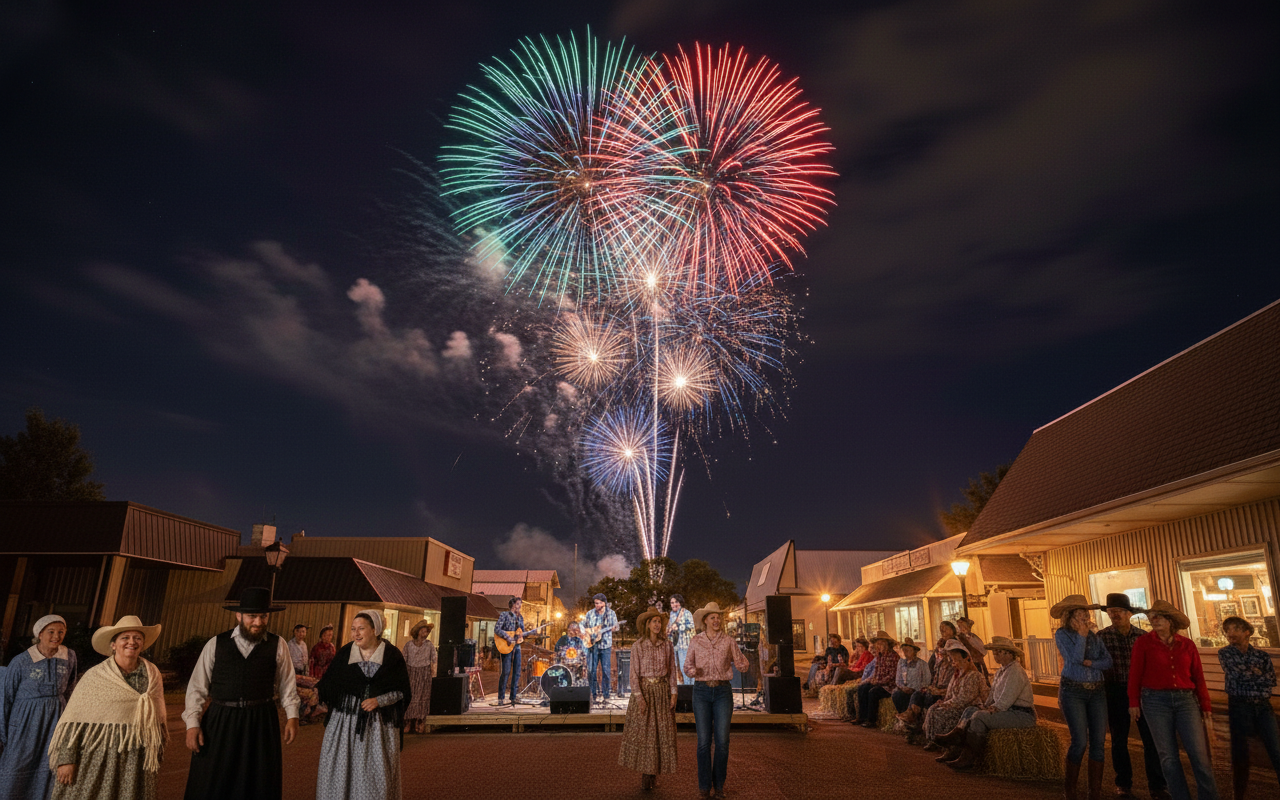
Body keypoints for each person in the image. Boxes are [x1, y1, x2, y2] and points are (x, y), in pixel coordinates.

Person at [183, 586, 301, 800]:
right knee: (212, 781)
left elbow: (287, 685)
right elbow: (197, 687)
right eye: (251, 616)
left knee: (258, 782)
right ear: (239, 615)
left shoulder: (278, 644)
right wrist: (192, 724)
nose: (258, 622)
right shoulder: (215, 644)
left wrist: (293, 717)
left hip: (262, 721)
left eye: (263, 616)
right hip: (220, 720)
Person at [47, 615, 166, 800]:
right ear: (113, 644)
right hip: (100, 755)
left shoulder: (152, 674)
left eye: (137, 638)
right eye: (125, 638)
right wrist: (66, 759)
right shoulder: (96, 676)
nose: (131, 642)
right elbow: (74, 719)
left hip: (137, 757)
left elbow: (157, 718)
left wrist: (156, 752)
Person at [315, 610, 412, 800]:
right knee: (341, 769)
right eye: (353, 629)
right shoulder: (345, 653)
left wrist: (379, 700)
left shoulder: (391, 656)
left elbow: (403, 692)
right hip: (345, 724)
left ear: (375, 630)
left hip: (378, 727)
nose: (355, 634)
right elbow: (329, 684)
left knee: (374, 774)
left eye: (361, 629)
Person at [1129, 600, 1218, 800]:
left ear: (1170, 620)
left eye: (1159, 616)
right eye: (1152, 617)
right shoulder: (1143, 643)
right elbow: (1134, 673)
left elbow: (1198, 676)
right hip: (1154, 701)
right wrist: (1133, 702)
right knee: (1168, 757)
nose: (1154, 620)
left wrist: (1205, 704)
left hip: (1186, 700)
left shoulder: (1187, 645)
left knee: (1199, 756)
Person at [1098, 593, 1169, 800]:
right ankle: (1123, 784)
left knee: (1151, 739)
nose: (1114, 615)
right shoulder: (1103, 636)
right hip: (1115, 690)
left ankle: (1157, 785)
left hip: (1142, 691)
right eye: (1111, 612)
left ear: (1129, 613)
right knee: (1119, 740)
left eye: (1119, 611)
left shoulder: (1143, 637)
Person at [0, 614, 77, 800]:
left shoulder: (69, 657)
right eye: (51, 632)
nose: (56, 636)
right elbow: (5, 698)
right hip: (23, 725)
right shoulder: (21, 661)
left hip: (54, 723)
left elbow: (72, 691)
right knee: (16, 767)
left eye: (61, 632)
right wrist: (3, 735)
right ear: (40, 634)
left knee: (49, 767)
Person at [934, 636, 1037, 770]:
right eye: (994, 651)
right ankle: (957, 738)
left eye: (998, 651)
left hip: (1021, 714)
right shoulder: (1001, 671)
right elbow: (993, 693)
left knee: (979, 717)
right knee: (971, 710)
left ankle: (970, 757)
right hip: (1009, 710)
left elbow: (1006, 699)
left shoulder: (1015, 671)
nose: (995, 654)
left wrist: (992, 708)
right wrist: (985, 705)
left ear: (1009, 654)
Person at [684, 601, 749, 799]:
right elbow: (687, 666)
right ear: (705, 620)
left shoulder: (729, 641)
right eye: (712, 617)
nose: (717, 620)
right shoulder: (696, 641)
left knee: (722, 742)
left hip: (722, 692)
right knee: (703, 742)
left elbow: (742, 663)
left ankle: (719, 785)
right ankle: (704, 786)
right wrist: (692, 671)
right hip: (701, 691)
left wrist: (742, 663)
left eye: (718, 617)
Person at [1054, 594, 1113, 800]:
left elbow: (1107, 661)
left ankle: (1094, 792)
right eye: (1079, 615)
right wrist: (1081, 636)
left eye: (1085, 614)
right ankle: (1070, 790)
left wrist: (1093, 663)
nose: (1084, 618)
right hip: (1073, 690)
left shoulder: (1096, 637)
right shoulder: (1062, 634)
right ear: (1069, 617)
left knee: (1099, 742)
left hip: (1097, 690)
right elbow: (1075, 658)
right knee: (1079, 741)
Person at [1218, 615, 1280, 799]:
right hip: (1240, 706)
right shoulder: (1225, 653)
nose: (1230, 633)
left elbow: (1271, 680)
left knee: (1276, 750)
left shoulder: (1261, 655)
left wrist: (1252, 675)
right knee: (1240, 753)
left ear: (1247, 632)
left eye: (1235, 629)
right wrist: (1257, 675)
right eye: (1227, 630)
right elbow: (1236, 675)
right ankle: (1239, 794)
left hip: (1262, 706)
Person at [620, 607, 679, 791]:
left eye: (659, 622)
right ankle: (646, 773)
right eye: (653, 621)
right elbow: (633, 675)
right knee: (645, 735)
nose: (657, 624)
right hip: (645, 691)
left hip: (661, 692)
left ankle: (654, 772)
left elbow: (672, 670)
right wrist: (639, 698)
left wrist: (673, 693)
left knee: (660, 735)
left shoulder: (667, 645)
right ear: (647, 624)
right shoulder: (638, 645)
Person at [921, 640, 989, 749]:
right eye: (953, 659)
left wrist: (947, 704)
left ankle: (948, 744)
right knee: (933, 708)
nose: (954, 662)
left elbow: (964, 698)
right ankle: (933, 739)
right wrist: (944, 701)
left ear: (966, 659)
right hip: (955, 704)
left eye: (956, 659)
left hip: (967, 708)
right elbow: (950, 693)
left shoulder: (974, 676)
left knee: (941, 713)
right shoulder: (956, 675)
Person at [854, 630, 900, 727]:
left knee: (873, 692)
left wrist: (878, 682)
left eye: (881, 644)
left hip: (889, 686)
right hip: (878, 682)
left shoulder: (894, 656)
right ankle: (862, 717)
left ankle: (871, 720)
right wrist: (872, 679)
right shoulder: (879, 656)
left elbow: (893, 675)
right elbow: (876, 671)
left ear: (886, 644)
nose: (878, 647)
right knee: (862, 688)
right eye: (877, 644)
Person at [584, 593, 620, 704]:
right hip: (593, 646)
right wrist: (591, 633)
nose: (597, 605)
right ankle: (593, 694)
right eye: (595, 603)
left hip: (606, 646)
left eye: (599, 603)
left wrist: (612, 628)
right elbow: (585, 628)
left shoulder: (611, 613)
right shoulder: (590, 613)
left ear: (604, 603)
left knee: (605, 670)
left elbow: (616, 627)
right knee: (592, 671)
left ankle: (606, 694)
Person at [402, 620, 437, 734]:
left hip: (424, 672)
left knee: (423, 696)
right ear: (417, 632)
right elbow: (403, 659)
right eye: (423, 631)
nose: (425, 633)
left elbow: (434, 658)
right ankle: (408, 721)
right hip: (411, 672)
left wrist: (433, 670)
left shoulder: (429, 645)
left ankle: (420, 720)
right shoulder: (409, 645)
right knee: (411, 696)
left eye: (426, 631)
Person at [495, 597, 530, 707]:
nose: (519, 606)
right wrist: (507, 637)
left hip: (517, 646)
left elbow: (522, 632)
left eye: (520, 604)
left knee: (517, 672)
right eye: (518, 604)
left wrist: (524, 634)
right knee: (505, 671)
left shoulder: (520, 618)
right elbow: (497, 629)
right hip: (506, 645)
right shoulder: (504, 615)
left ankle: (513, 697)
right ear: (512, 605)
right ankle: (501, 698)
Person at [890, 637, 932, 721]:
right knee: (896, 694)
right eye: (904, 650)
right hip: (905, 689)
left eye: (908, 650)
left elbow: (927, 680)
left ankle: (912, 717)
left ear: (914, 651)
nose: (906, 653)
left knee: (915, 695)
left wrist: (915, 688)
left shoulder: (922, 664)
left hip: (917, 690)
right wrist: (902, 687)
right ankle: (903, 714)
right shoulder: (901, 663)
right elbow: (898, 679)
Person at [667, 594, 695, 686]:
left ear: (680, 602)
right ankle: (681, 689)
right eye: (672, 603)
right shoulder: (671, 614)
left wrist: (679, 627)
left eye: (676, 602)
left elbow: (691, 627)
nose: (674, 604)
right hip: (674, 646)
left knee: (686, 668)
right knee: (676, 669)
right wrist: (669, 631)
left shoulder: (686, 613)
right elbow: (669, 628)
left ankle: (690, 688)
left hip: (685, 645)